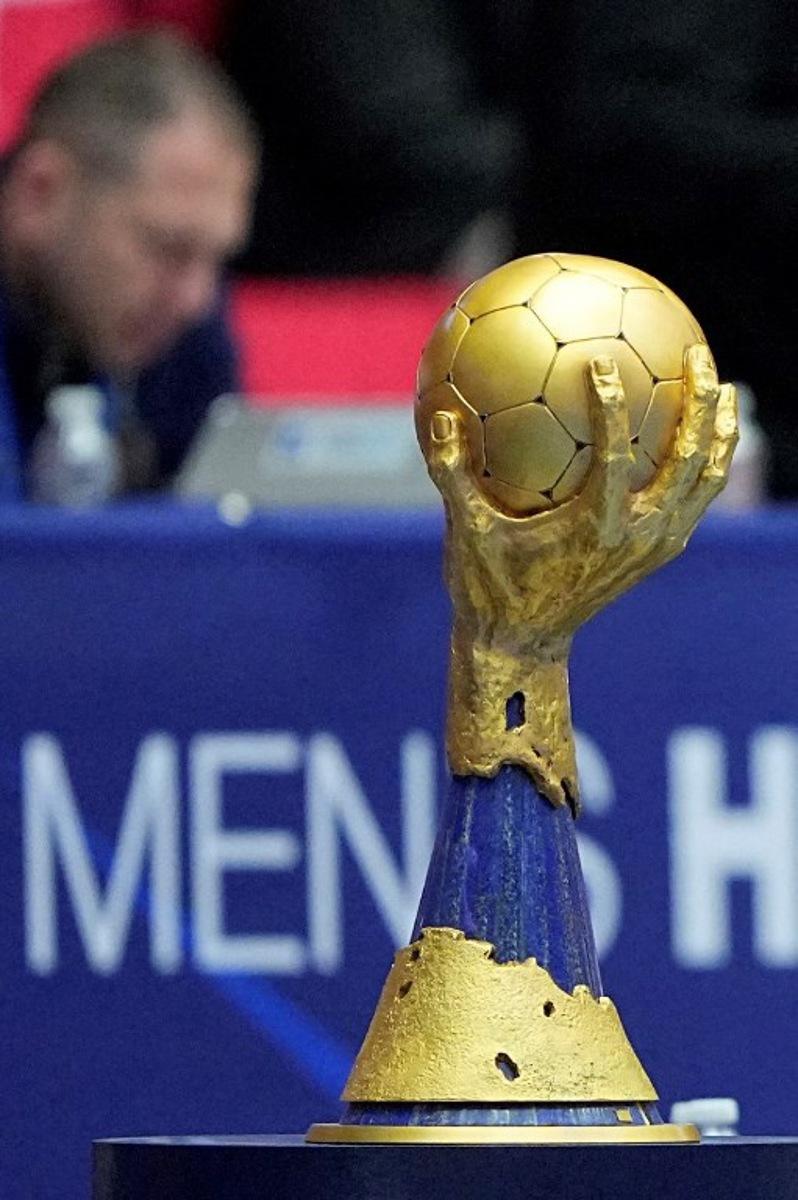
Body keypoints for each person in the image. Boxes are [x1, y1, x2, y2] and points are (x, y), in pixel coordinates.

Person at [0, 29, 258, 500]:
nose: (196, 300)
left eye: (215, 260)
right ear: (40, 194)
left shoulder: (182, 329)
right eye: (167, 247)